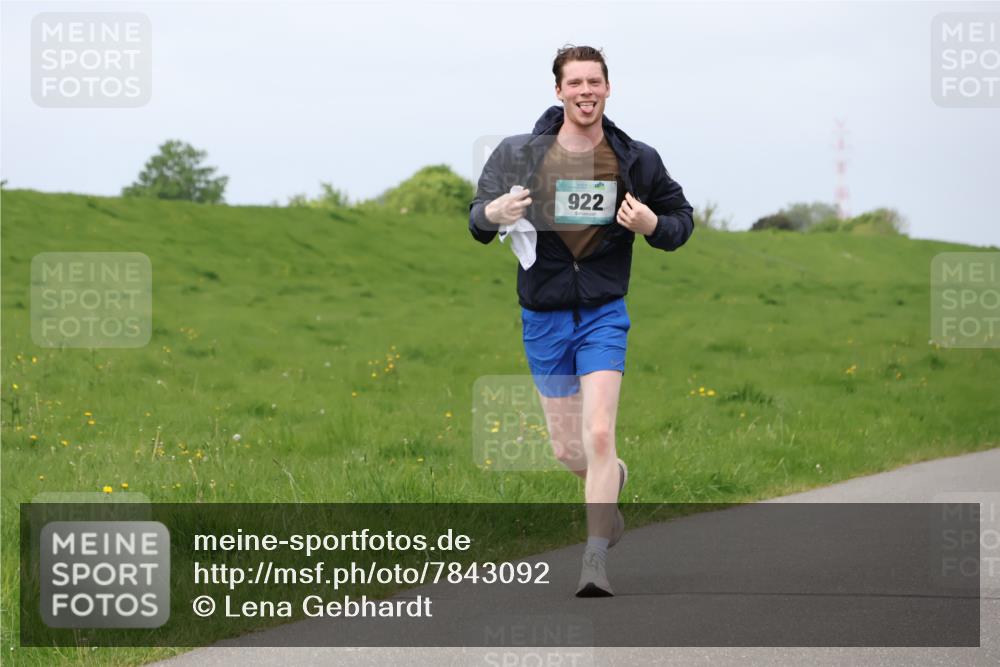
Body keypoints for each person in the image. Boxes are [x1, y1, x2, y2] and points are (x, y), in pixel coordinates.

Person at [468, 45, 694, 597]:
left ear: (608, 89)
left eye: (595, 82)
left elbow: (682, 220)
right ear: (559, 91)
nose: (586, 91)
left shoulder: (636, 159)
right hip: (543, 315)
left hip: (603, 314)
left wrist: (649, 223)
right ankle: (610, 486)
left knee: (599, 433)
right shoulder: (520, 154)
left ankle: (594, 559)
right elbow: (477, 218)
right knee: (570, 450)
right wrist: (494, 213)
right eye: (576, 83)